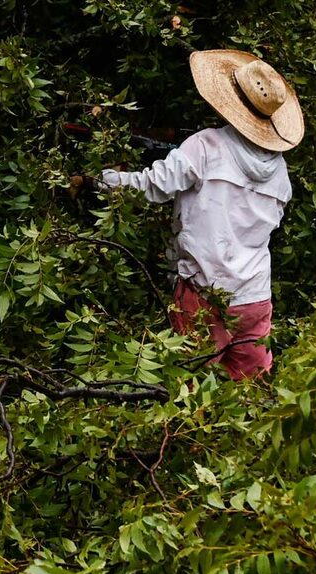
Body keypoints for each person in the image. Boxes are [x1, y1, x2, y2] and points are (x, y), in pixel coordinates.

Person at [99, 49, 303, 380]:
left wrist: (108, 182)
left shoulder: (206, 145)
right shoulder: (279, 171)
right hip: (254, 297)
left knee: (192, 387)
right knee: (253, 388)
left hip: (203, 292)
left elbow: (153, 186)